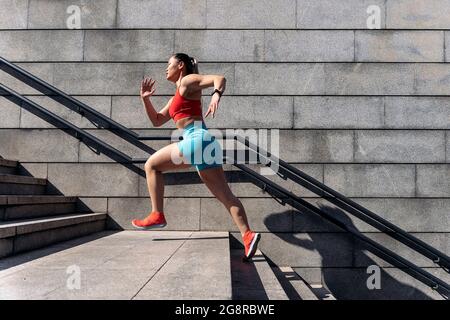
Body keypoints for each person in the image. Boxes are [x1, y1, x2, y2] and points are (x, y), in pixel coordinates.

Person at [131, 53, 260, 260]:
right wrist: (146, 100)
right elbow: (156, 120)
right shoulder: (179, 94)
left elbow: (220, 78)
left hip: (196, 139)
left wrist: (216, 94)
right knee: (226, 196)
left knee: (152, 166)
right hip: (206, 143)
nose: (166, 69)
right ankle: (248, 236)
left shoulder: (187, 82)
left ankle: (157, 214)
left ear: (180, 65)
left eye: (169, 64)